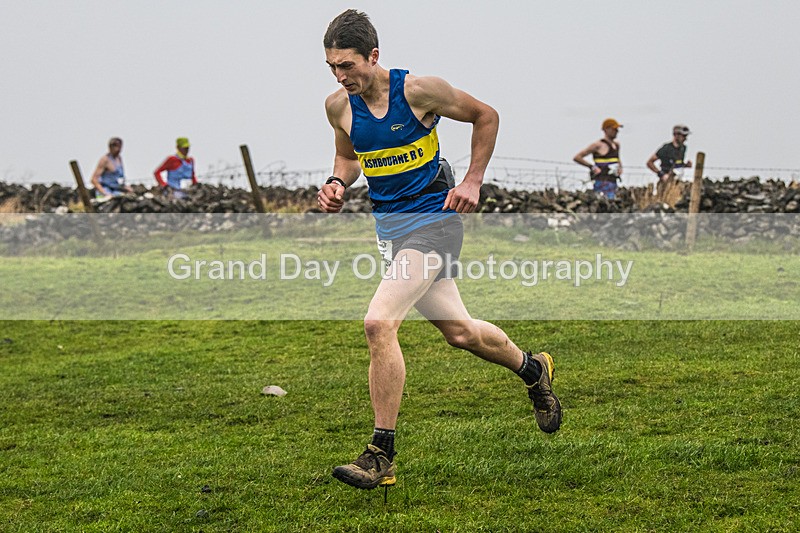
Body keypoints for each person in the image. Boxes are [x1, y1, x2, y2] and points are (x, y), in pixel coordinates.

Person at [317, 9, 562, 491]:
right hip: (393, 234)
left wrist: (472, 180)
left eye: (348, 65)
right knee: (461, 333)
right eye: (332, 67)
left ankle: (380, 453)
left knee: (378, 323)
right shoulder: (338, 107)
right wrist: (336, 182)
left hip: (436, 223)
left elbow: (485, 115)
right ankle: (534, 369)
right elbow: (347, 157)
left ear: (373, 56)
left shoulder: (418, 92)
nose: (340, 76)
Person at [573, 118, 623, 199]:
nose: (617, 131)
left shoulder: (617, 145)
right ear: (606, 129)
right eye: (614, 129)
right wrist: (592, 167)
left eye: (617, 129)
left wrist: (620, 167)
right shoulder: (598, 145)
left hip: (613, 181)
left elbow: (617, 158)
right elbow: (577, 157)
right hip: (601, 181)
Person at [647, 125, 693, 191]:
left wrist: (686, 165)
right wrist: (661, 174)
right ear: (676, 135)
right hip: (665, 182)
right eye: (683, 136)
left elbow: (676, 163)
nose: (685, 139)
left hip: (677, 181)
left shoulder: (683, 148)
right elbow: (649, 162)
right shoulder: (666, 148)